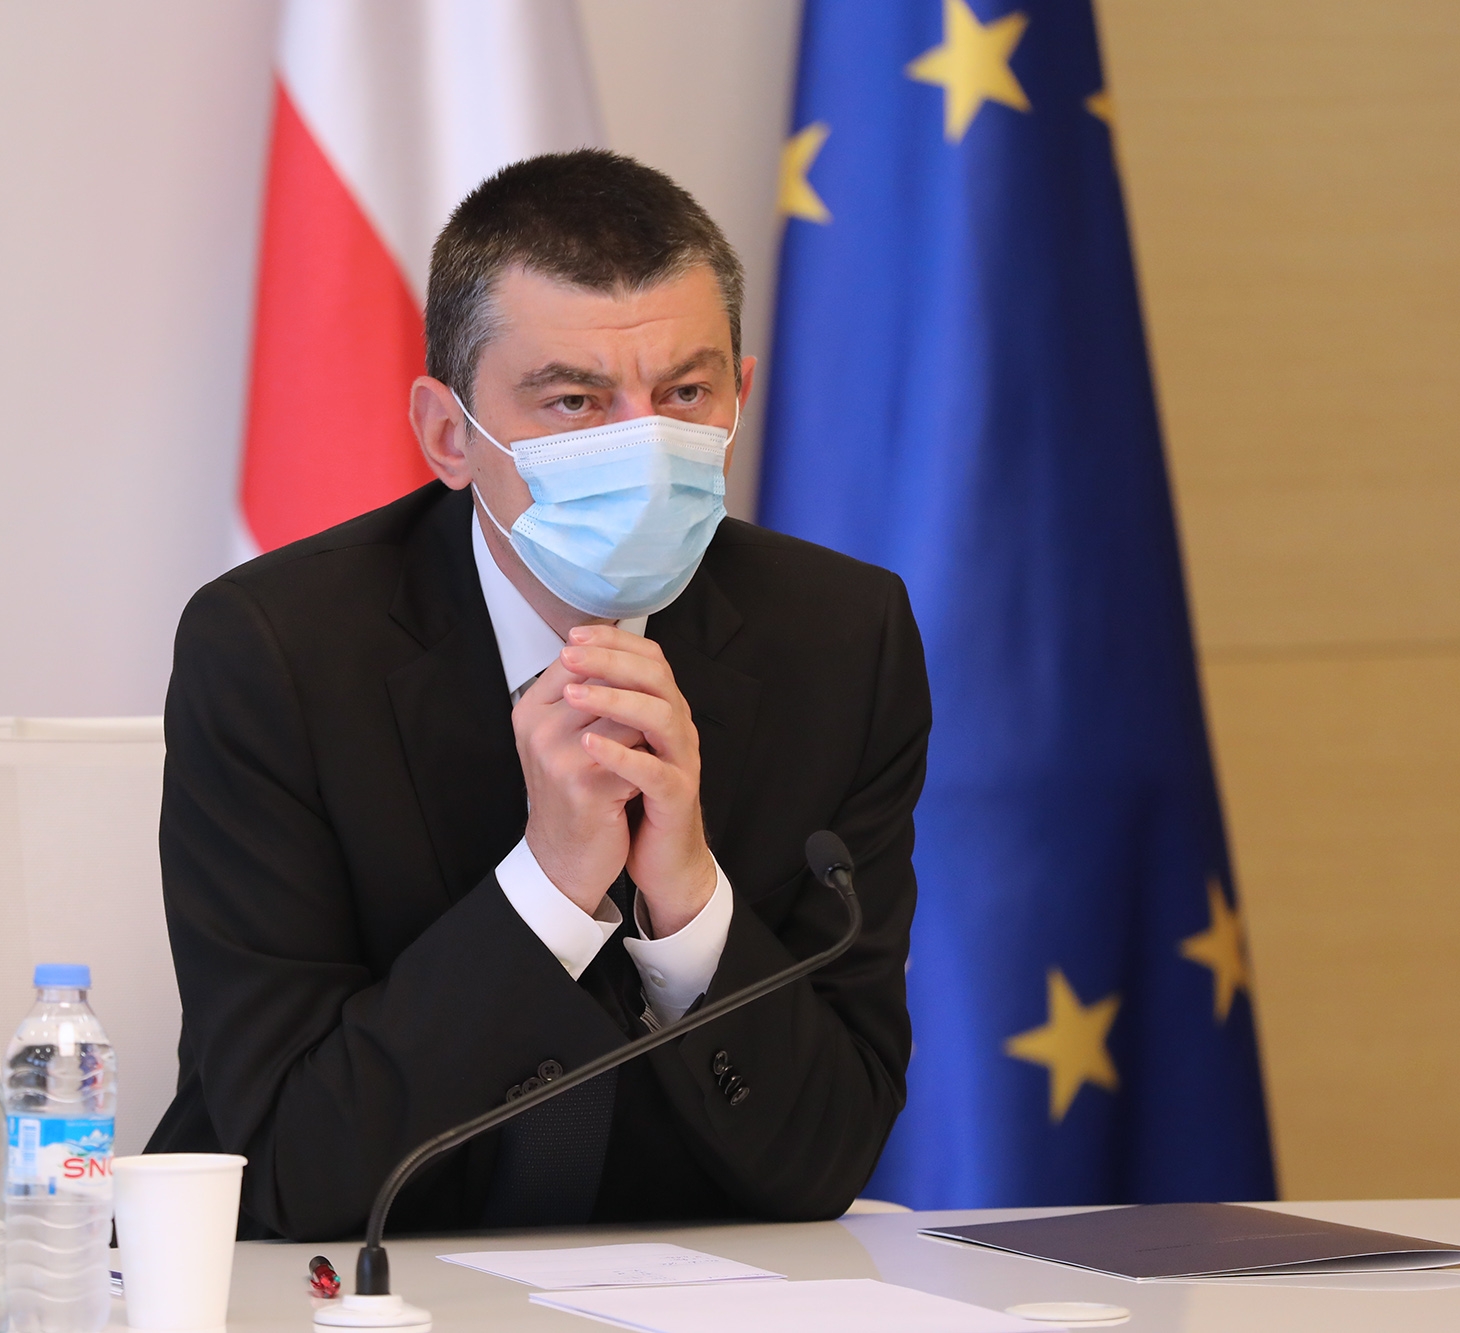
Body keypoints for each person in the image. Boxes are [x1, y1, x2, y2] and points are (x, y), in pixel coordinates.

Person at [145, 150, 930, 1241]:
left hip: (687, 1287)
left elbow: (826, 1155)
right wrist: (551, 886)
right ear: (447, 434)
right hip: (352, 1288)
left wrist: (689, 904)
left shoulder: (840, 638)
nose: (640, 446)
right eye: (573, 400)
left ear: (739, 400)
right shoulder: (277, 650)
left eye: (684, 394)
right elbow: (291, 1164)